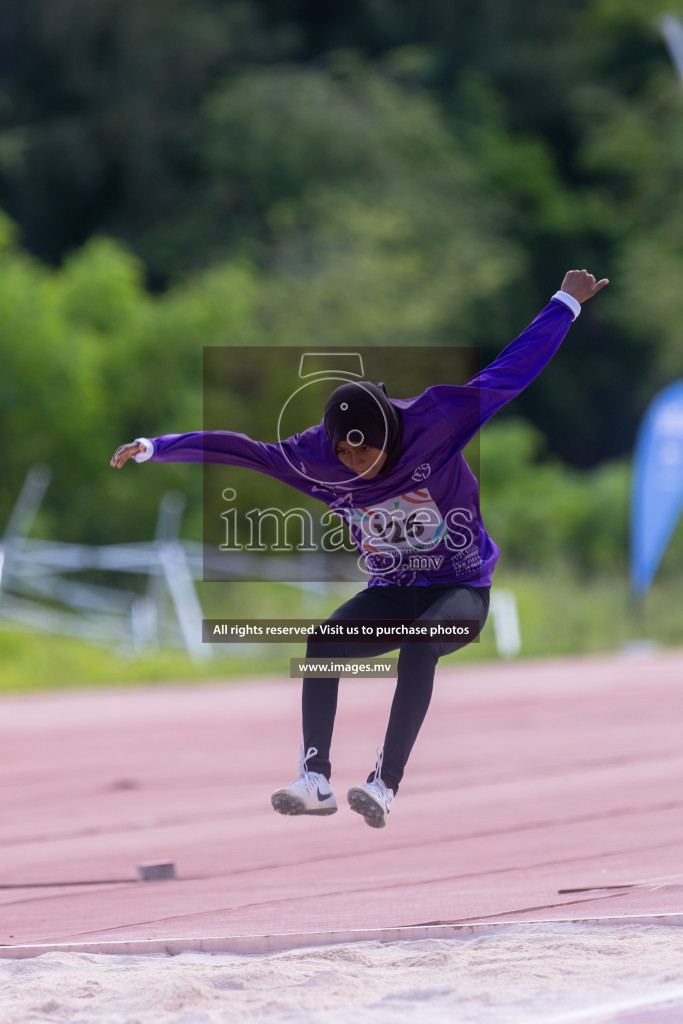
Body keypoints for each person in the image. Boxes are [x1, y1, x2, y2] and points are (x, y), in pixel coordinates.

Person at [111, 268, 608, 829]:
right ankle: (314, 778)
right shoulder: (311, 456)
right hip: (392, 592)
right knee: (321, 643)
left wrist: (566, 302)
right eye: (345, 457)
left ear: (390, 436)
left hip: (460, 589)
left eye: (367, 455)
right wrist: (158, 447)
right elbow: (240, 450)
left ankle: (384, 784)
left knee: (421, 646)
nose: (356, 467)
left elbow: (508, 374)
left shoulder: (434, 422)